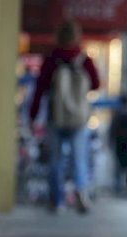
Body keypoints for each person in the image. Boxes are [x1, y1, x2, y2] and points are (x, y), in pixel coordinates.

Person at [29, 18, 101, 214]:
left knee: (56, 160)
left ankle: (57, 199)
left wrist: (32, 116)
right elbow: (95, 84)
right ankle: (80, 192)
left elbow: (39, 90)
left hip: (56, 116)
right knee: (80, 159)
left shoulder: (51, 60)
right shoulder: (85, 60)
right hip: (78, 118)